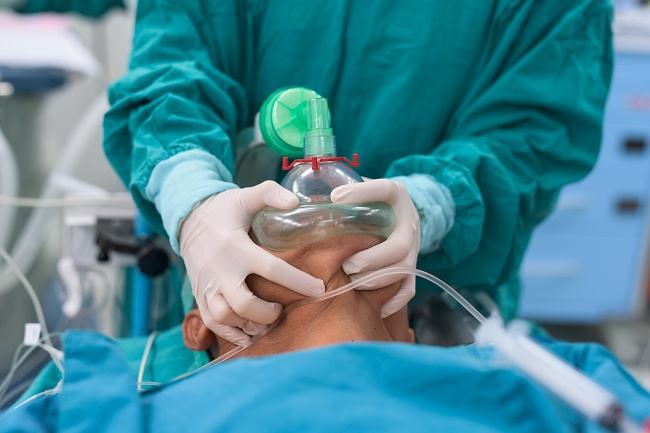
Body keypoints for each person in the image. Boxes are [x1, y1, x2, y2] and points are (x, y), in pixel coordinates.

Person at [103, 0, 614, 344]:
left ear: (408, 336)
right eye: (286, 307)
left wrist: (437, 200)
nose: (342, 339)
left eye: (367, 295)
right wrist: (193, 197)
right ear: (201, 329)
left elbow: (532, 133)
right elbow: (172, 67)